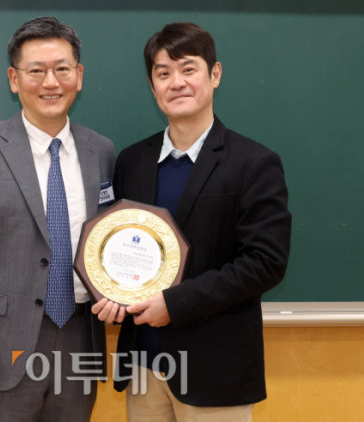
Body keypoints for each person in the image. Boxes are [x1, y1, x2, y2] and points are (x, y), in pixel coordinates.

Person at [93, 22, 292, 421]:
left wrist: (175, 303)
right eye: (163, 73)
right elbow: (113, 248)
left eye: (188, 69)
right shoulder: (132, 161)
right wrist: (108, 291)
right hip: (143, 366)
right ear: (152, 87)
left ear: (214, 74)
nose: (177, 82)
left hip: (215, 371)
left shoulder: (254, 163)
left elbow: (265, 263)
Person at [0, 16, 115, 422]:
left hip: (79, 341)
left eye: (62, 69)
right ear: (14, 79)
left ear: (79, 76)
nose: (50, 82)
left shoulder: (101, 151)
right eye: (36, 71)